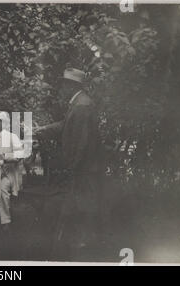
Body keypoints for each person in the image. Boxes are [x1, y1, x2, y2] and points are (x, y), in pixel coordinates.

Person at [33, 67, 103, 257]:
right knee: (73, 210)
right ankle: (72, 246)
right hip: (79, 170)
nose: (62, 88)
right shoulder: (79, 102)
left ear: (72, 86)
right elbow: (65, 125)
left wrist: (71, 169)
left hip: (81, 170)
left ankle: (77, 250)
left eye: (64, 84)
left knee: (77, 210)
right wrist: (42, 129)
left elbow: (81, 143)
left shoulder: (81, 106)